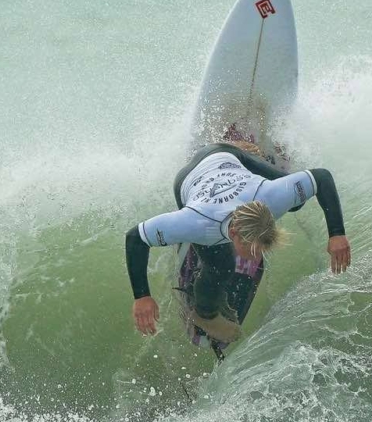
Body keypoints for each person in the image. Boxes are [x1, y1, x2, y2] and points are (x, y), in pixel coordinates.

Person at [125, 142, 350, 342]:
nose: (257, 257)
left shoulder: (274, 196)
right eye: (253, 249)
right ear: (233, 233)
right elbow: (136, 238)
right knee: (221, 266)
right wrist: (142, 296)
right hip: (190, 178)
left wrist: (337, 234)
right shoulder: (197, 222)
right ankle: (205, 316)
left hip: (227, 154)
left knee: (297, 203)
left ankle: (241, 148)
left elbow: (321, 177)